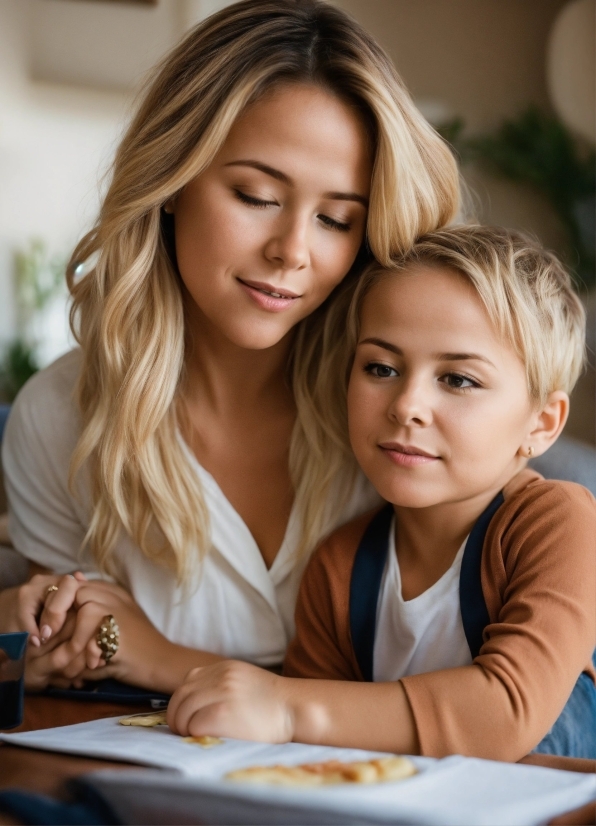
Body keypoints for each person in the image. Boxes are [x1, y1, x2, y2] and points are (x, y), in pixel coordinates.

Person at [0, 0, 460, 692]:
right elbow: (76, 670)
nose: (293, 252)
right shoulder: (59, 419)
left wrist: (164, 658)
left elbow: (482, 685)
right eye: (255, 196)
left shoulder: (405, 409)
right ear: (172, 182)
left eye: (337, 219)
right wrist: (36, 644)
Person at [166, 226, 596, 761]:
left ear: (542, 422)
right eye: (381, 368)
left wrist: (285, 706)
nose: (407, 404)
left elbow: (504, 713)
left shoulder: (557, 523)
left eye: (458, 379)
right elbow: (299, 763)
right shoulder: (339, 567)